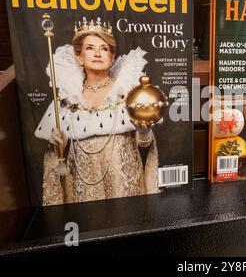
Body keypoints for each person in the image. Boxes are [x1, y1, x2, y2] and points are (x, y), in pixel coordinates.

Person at [35, 17, 160, 205]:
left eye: (104, 48)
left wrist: (144, 132)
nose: (97, 54)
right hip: (83, 188)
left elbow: (145, 147)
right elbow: (57, 158)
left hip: (124, 186)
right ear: (79, 56)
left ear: (111, 57)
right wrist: (58, 144)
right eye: (90, 48)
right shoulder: (67, 97)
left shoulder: (127, 93)